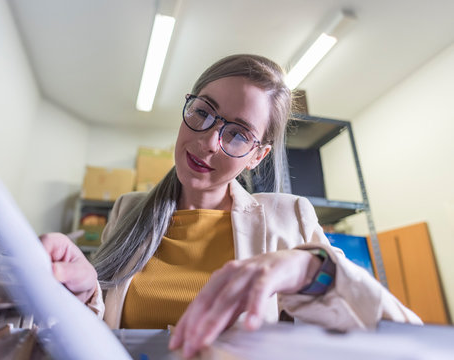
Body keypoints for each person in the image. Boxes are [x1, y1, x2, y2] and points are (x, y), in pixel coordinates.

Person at [41, 54, 421, 358]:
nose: (208, 142)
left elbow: (406, 340)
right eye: (203, 112)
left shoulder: (288, 218)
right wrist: (85, 292)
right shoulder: (129, 209)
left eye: (238, 134)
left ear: (257, 157)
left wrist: (314, 271)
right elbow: (103, 330)